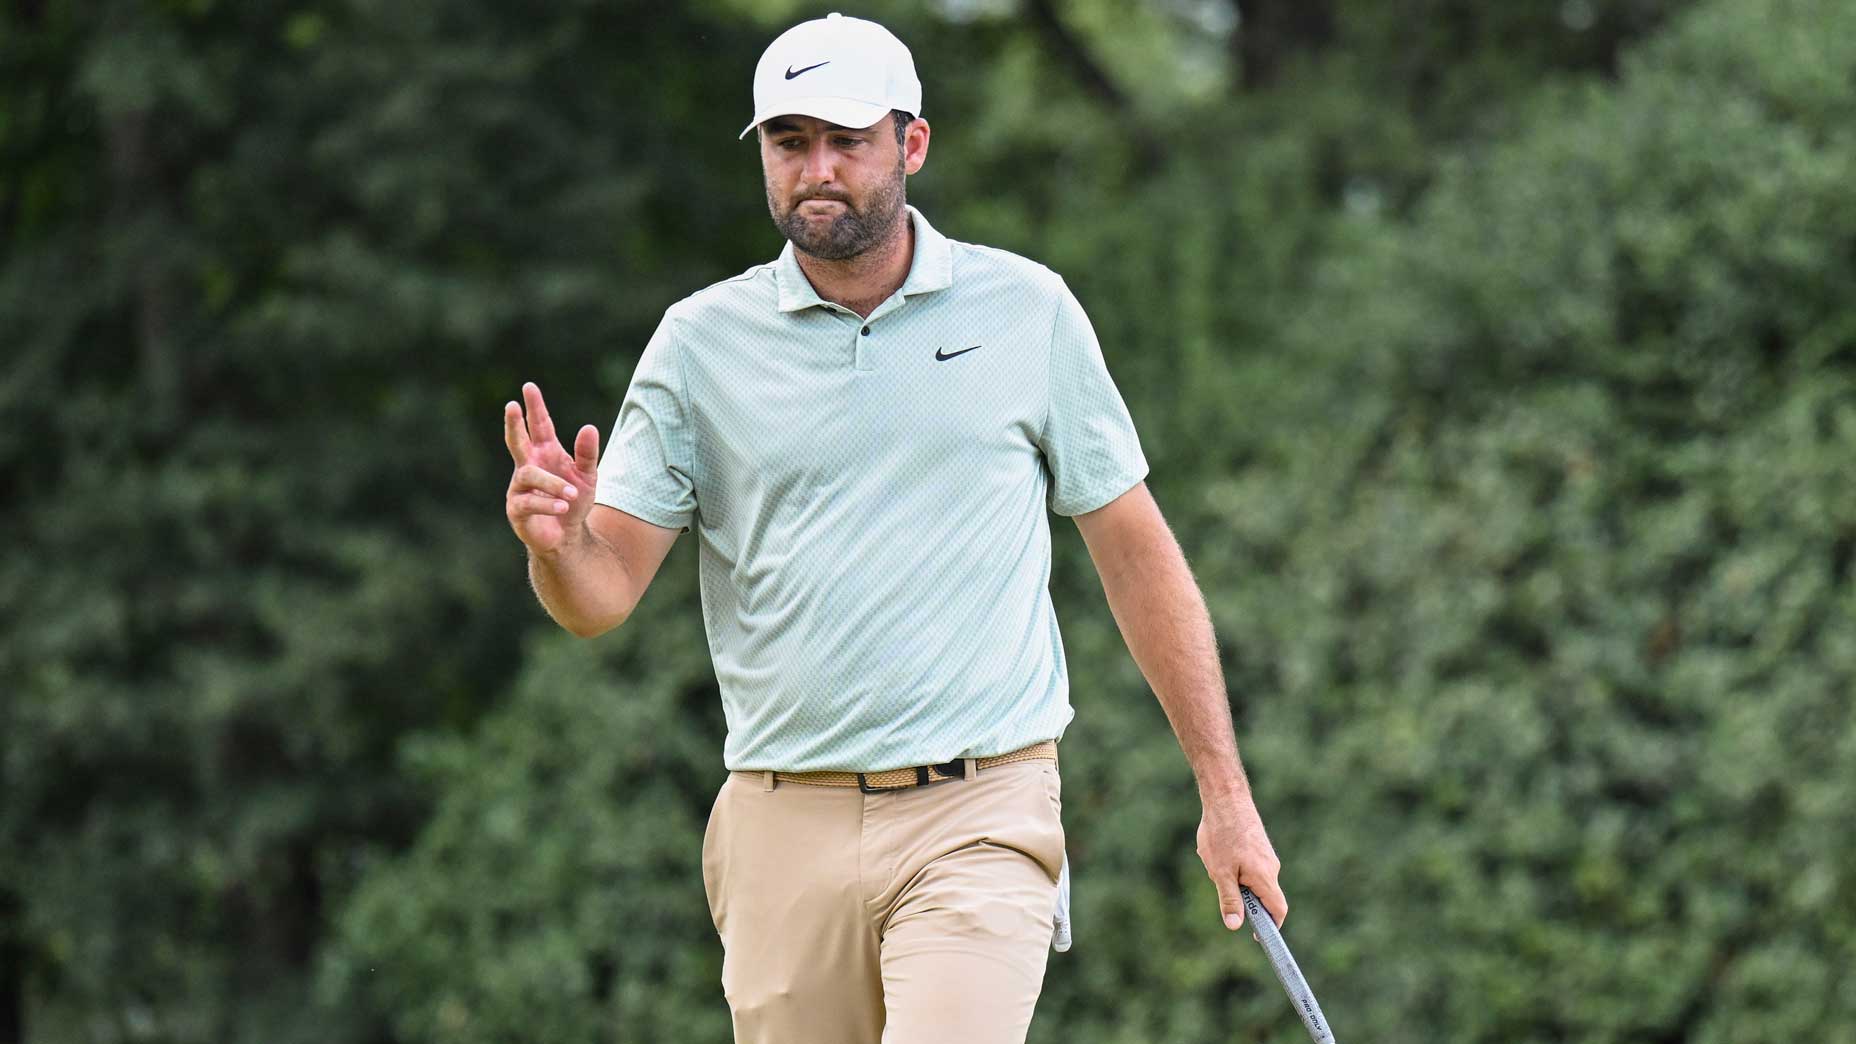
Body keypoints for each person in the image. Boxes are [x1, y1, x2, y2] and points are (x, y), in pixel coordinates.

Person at [501, 12, 1286, 1044]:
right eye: (788, 143)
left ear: (910, 145)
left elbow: (1137, 558)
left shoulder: (1026, 311)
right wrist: (556, 548)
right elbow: (600, 600)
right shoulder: (699, 344)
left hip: (980, 813)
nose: (815, 168)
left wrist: (1223, 794)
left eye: (845, 140)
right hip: (780, 823)